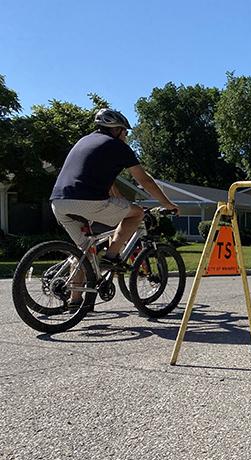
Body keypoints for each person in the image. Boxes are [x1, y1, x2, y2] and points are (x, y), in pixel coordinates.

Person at [50, 108, 179, 309]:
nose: (126, 136)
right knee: (136, 213)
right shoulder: (117, 146)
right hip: (87, 201)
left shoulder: (84, 141)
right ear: (117, 130)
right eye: (125, 132)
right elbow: (144, 180)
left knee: (84, 251)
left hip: (58, 202)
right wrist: (166, 203)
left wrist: (120, 201)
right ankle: (111, 257)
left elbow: (107, 182)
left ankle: (76, 301)